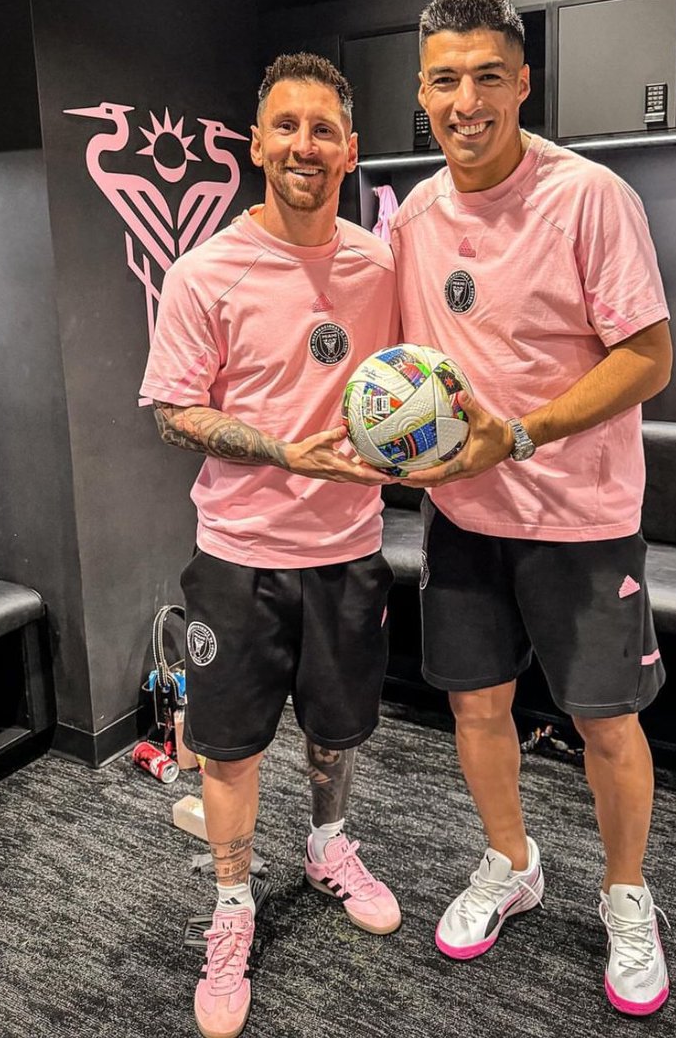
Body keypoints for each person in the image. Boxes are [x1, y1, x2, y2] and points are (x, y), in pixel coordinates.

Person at [390, 0, 674, 1016]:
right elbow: (412, 362)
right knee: (476, 705)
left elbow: (648, 358)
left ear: (522, 82)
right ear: (420, 91)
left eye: (486, 76)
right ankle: (511, 862)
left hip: (581, 517)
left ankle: (626, 892)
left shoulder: (590, 197)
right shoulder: (414, 213)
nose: (466, 100)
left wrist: (520, 433)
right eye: (444, 79)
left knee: (604, 721)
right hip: (464, 519)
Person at [141, 53, 401, 1038]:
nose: (304, 144)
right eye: (285, 125)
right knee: (231, 748)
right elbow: (173, 411)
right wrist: (287, 450)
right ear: (257, 141)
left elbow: (410, 380)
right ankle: (234, 902)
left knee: (338, 728)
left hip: (350, 550)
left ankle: (330, 847)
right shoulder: (204, 270)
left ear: (349, 148)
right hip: (239, 555)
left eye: (323, 128)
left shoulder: (379, 263)